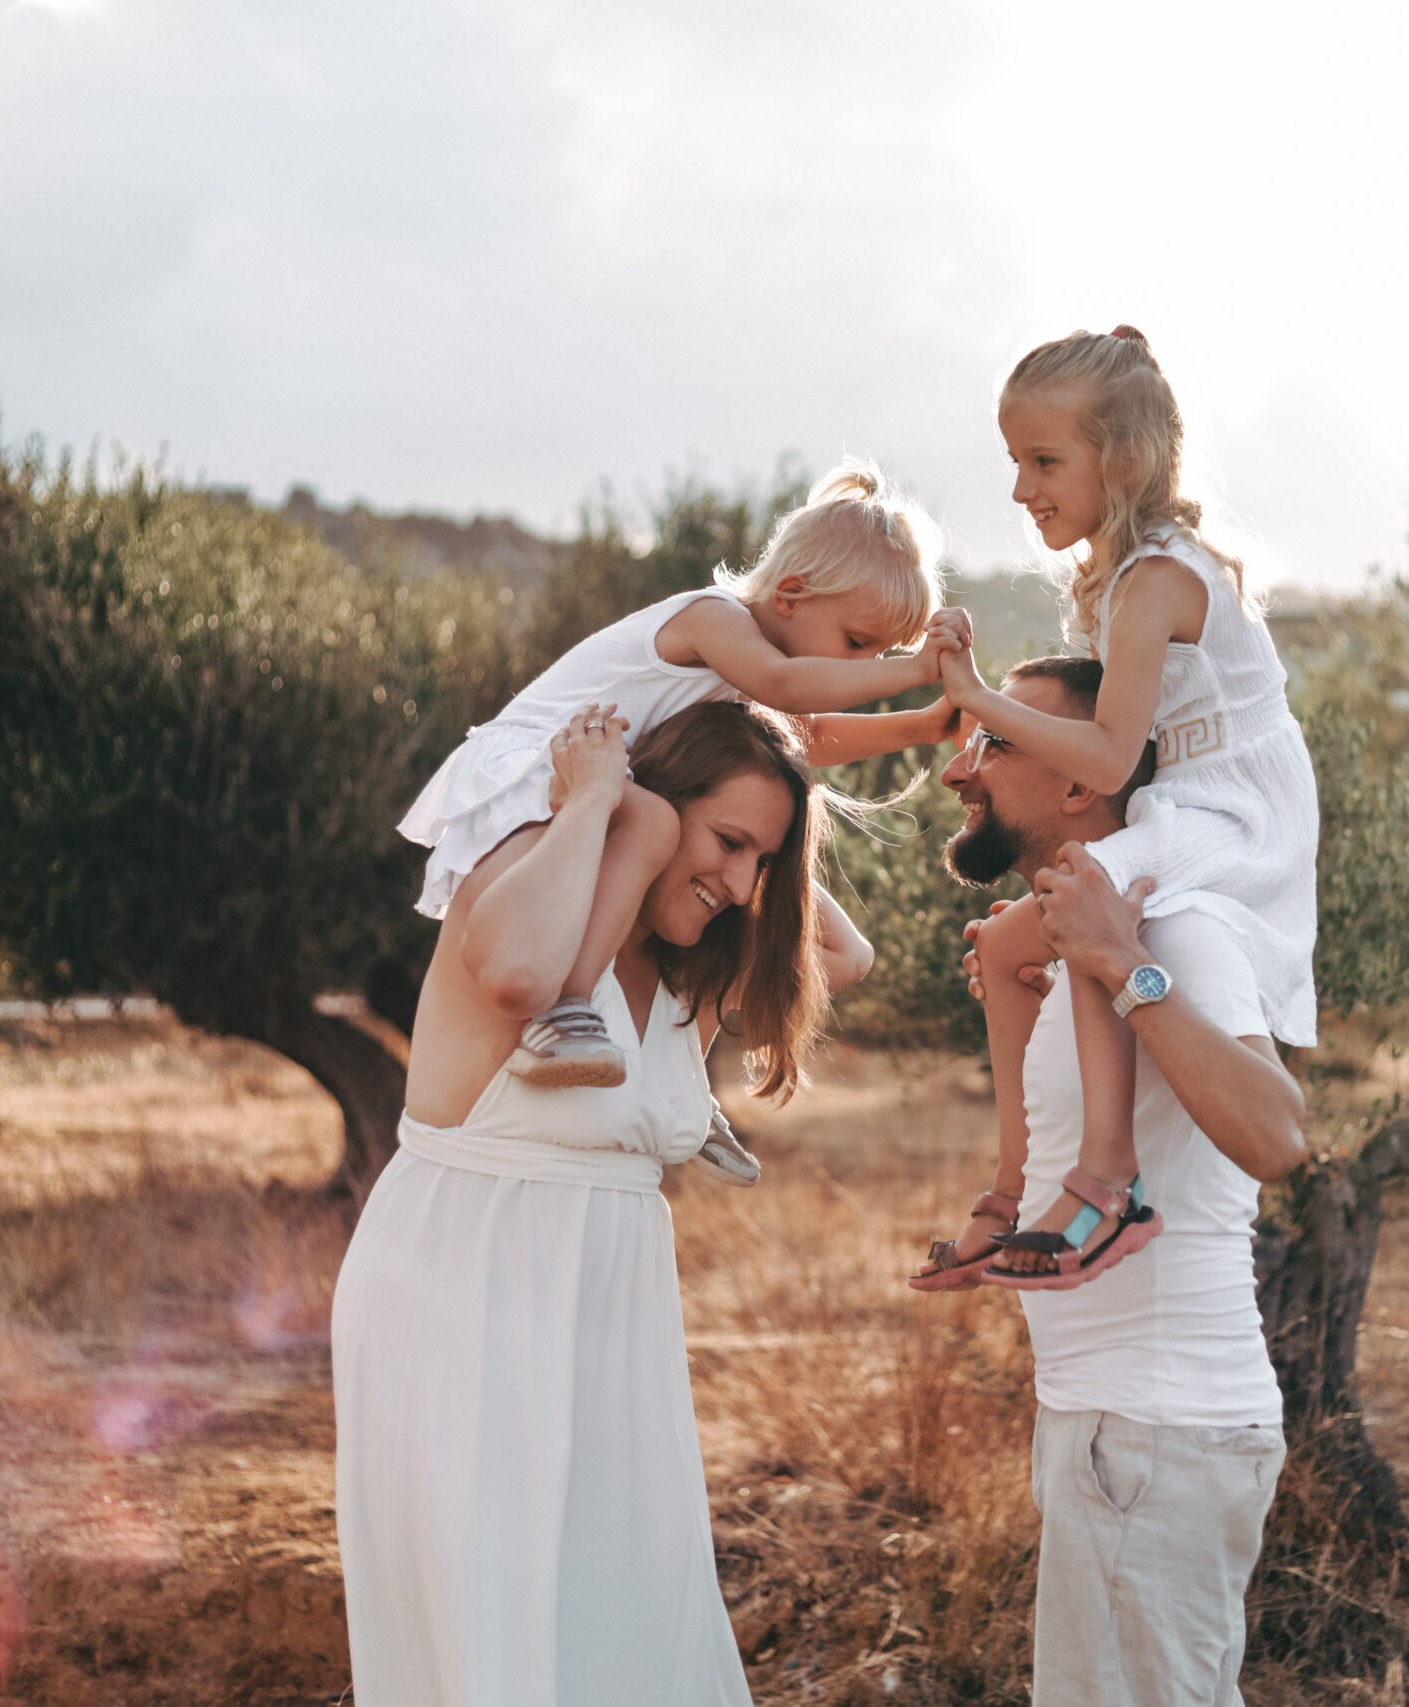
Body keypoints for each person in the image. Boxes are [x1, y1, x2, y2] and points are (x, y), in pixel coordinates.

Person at [333, 699, 860, 1707]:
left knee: (623, 1619)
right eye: (729, 843)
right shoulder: (518, 885)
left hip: (613, 1332)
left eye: (763, 862)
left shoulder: (686, 976)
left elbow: (841, 960)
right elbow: (522, 974)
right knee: (499, 1622)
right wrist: (593, 806)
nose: (740, 885)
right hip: (460, 1299)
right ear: (652, 805)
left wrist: (772, 841)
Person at [398, 459, 966, 1184]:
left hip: (610, 777)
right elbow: (791, 689)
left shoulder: (749, 671)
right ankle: (564, 1014)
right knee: (654, 823)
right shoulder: (712, 619)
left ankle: (681, 1088)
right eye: (860, 643)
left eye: (881, 653)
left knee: (695, 848)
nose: (866, 666)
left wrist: (922, 726)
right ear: (789, 595)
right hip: (554, 762)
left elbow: (804, 734)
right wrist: (916, 670)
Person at [937, 655, 1309, 1705]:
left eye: (999, 742)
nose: (965, 769)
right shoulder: (1069, 951)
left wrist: (1121, 966)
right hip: (1115, 1431)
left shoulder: (1174, 925)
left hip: (1154, 1434)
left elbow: (1278, 1135)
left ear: (1077, 782)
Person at [914, 328, 1318, 1289]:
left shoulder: (1157, 582)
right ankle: (1015, 1185)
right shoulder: (1117, 578)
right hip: (1187, 794)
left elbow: (1105, 754)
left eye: (1044, 461)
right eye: (1016, 462)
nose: (1022, 490)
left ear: (1126, 460)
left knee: (1090, 893)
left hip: (1236, 811)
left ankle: (1109, 1179)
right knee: (1012, 943)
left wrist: (975, 695)